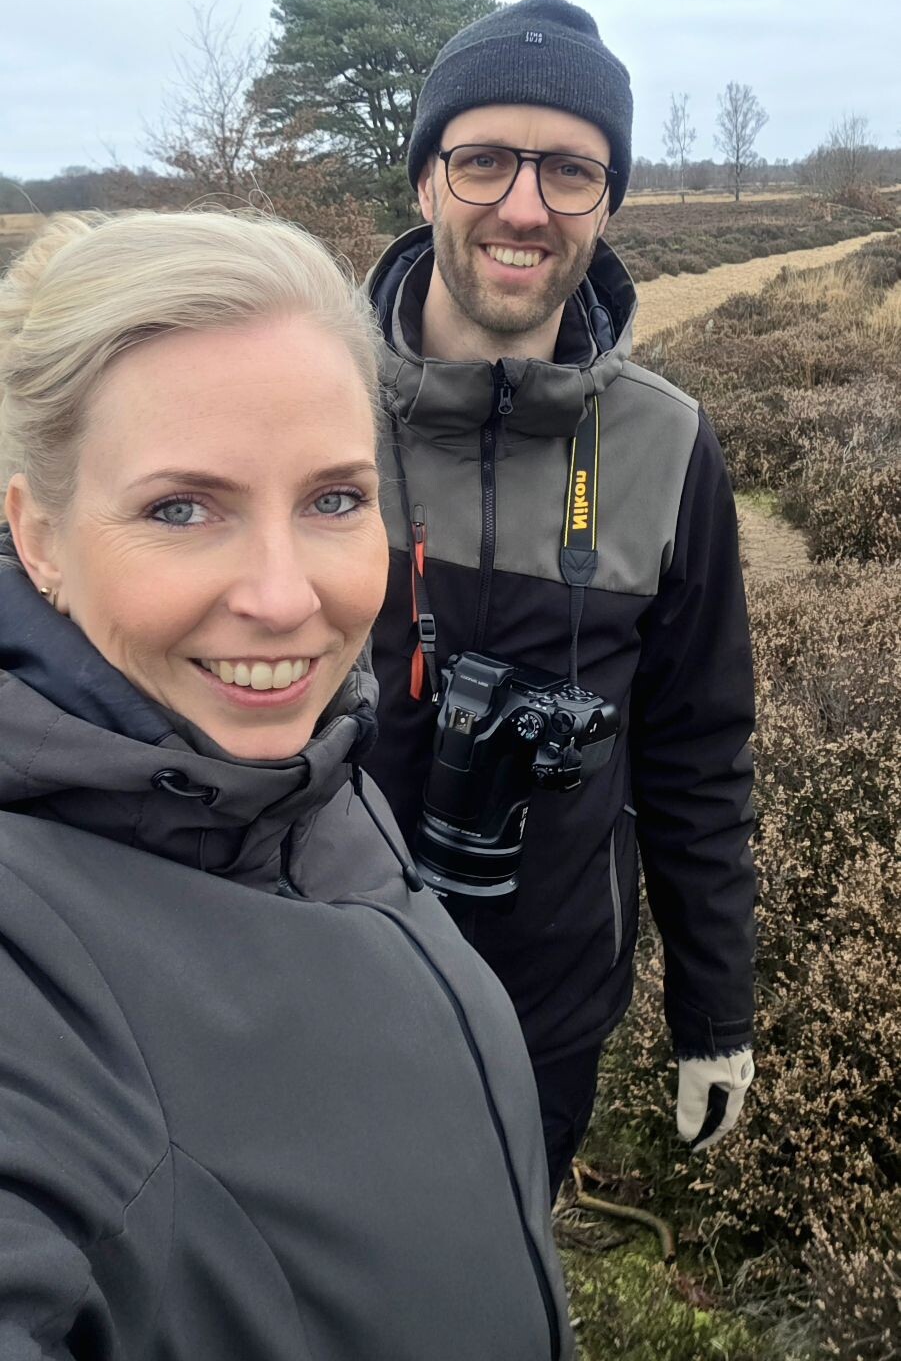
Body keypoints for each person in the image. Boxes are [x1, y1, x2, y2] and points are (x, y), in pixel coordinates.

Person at [0, 209, 574, 1361]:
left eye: (332, 499)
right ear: (39, 535)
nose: (283, 596)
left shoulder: (299, 776)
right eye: (181, 508)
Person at [364, 0, 757, 1199]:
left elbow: (698, 748)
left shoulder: (667, 446)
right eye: (484, 159)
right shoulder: (301, 404)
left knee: (496, 1264)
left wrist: (713, 1009)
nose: (525, 206)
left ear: (608, 202)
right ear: (425, 179)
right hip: (308, 982)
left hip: (545, 1013)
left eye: (570, 170)